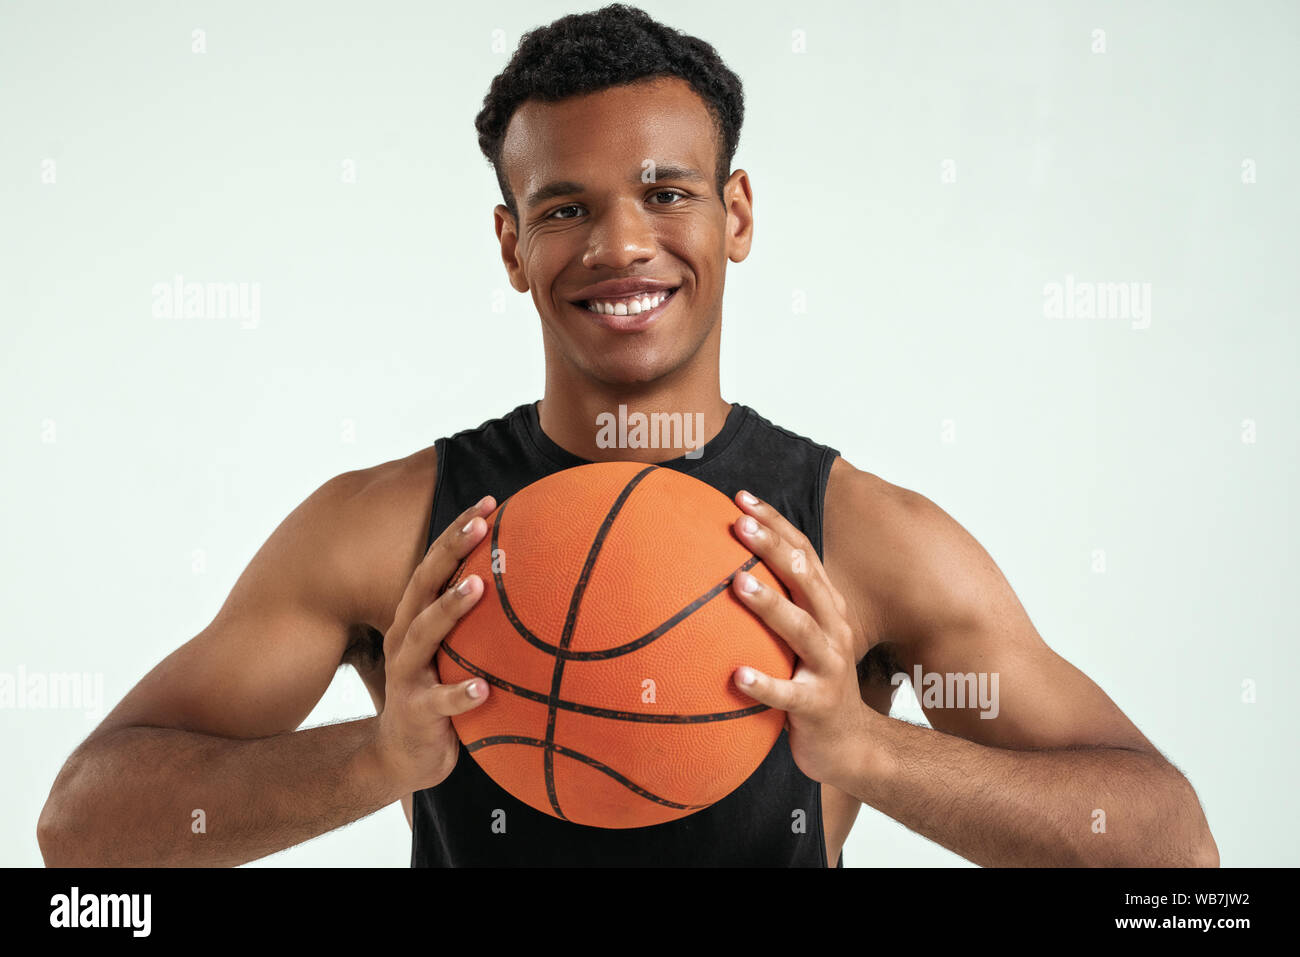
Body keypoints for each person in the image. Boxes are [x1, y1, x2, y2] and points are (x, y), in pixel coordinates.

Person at [37, 3, 1218, 867]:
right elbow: (81, 833)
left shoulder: (859, 541)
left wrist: (869, 752)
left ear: (734, 213)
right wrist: (370, 762)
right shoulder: (389, 532)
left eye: (665, 193)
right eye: (565, 209)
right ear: (511, 247)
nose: (618, 246)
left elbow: (1173, 854)